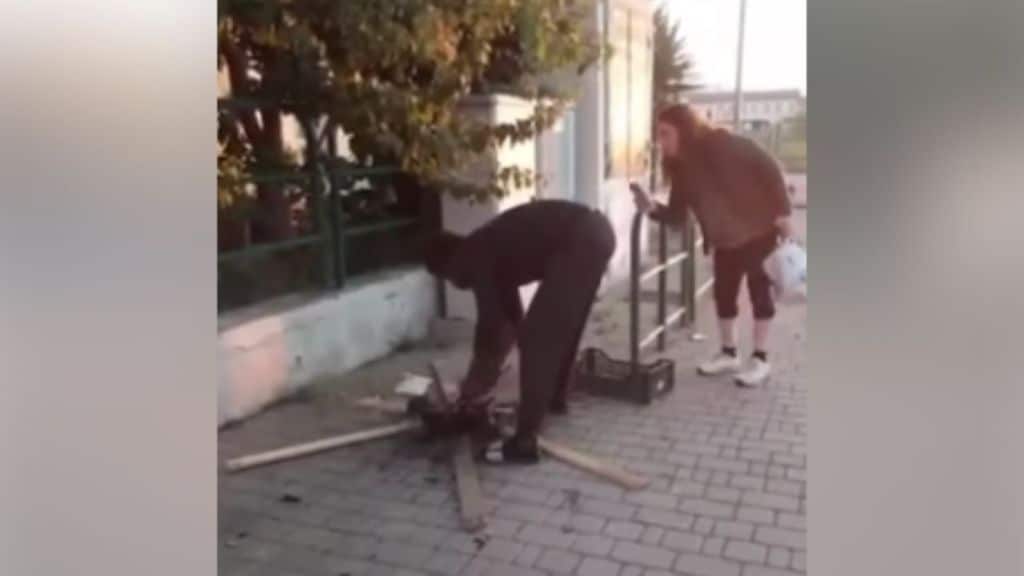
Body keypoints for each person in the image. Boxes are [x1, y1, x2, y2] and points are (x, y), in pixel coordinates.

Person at [424, 200, 616, 464]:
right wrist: (487, 375)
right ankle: (555, 400)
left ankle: (524, 442)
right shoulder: (488, 248)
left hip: (580, 238)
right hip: (596, 232)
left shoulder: (475, 256)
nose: (454, 284)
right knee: (562, 327)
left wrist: (475, 384)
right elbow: (511, 318)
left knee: (538, 339)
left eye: (447, 278)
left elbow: (490, 327)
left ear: (449, 264)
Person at [632, 104, 794, 387]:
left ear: (684, 130)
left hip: (759, 231)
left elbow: (767, 166)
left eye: (666, 133)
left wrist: (783, 214)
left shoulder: (721, 144)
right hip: (724, 240)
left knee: (760, 294)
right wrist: (650, 208)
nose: (661, 141)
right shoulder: (681, 169)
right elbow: (678, 216)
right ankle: (729, 353)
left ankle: (760, 359)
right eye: (659, 134)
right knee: (724, 295)